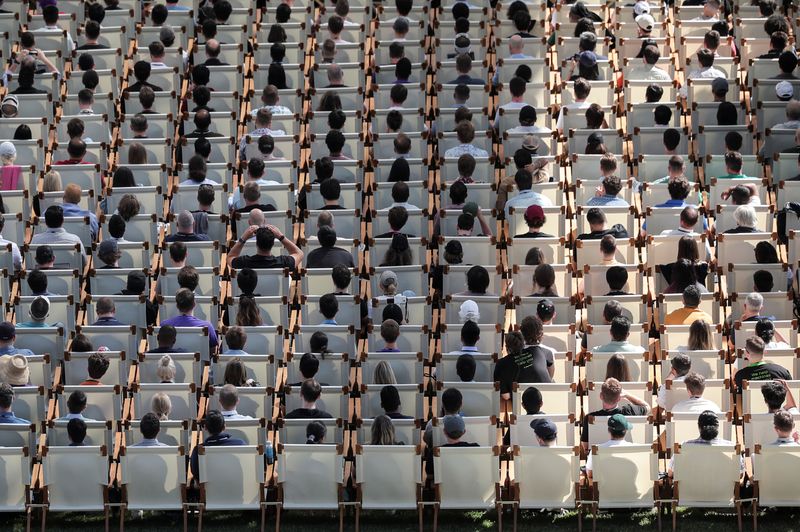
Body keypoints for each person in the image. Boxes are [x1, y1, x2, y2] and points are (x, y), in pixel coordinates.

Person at [581, 378, 650, 450]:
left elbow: (586, 447)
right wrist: (627, 395)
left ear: (601, 396)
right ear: (619, 398)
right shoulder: (629, 411)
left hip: (600, 460)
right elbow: (647, 407)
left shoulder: (590, 418)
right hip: (626, 454)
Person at [494, 326, 553, 401]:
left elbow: (506, 396)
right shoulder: (539, 351)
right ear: (523, 343)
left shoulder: (501, 363)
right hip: (549, 398)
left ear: (506, 347)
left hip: (521, 404)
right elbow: (550, 368)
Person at [190, 410, 246, 478]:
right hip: (237, 487)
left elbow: (196, 475)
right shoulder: (240, 445)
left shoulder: (198, 450)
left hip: (209, 488)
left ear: (205, 428)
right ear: (224, 426)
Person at [228, 225, 304, 270]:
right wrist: (281, 237)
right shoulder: (283, 262)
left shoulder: (243, 262)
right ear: (273, 243)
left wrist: (243, 238)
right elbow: (299, 253)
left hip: (249, 297)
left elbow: (230, 257)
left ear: (256, 244)